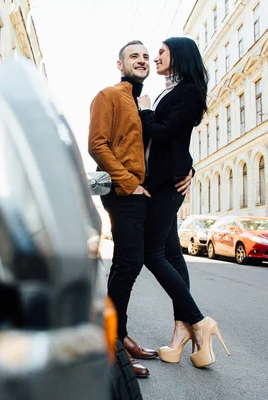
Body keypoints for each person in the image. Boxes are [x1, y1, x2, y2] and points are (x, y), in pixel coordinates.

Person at [88, 40, 192, 378]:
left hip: (146, 193)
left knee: (142, 259)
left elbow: (169, 142)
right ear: (120, 65)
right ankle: (113, 348)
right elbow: (97, 145)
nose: (143, 60)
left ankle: (121, 337)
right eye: (134, 56)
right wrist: (129, 184)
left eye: (147, 56)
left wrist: (189, 170)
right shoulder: (110, 96)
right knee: (128, 262)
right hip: (123, 191)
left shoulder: (144, 104)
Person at [137, 37, 230, 368]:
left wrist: (146, 109)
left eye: (161, 51)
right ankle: (183, 333)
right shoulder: (170, 89)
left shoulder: (189, 90)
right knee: (173, 255)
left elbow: (163, 133)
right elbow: (173, 140)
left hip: (166, 184)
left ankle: (198, 321)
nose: (156, 56)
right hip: (162, 179)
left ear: (178, 54)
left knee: (152, 253)